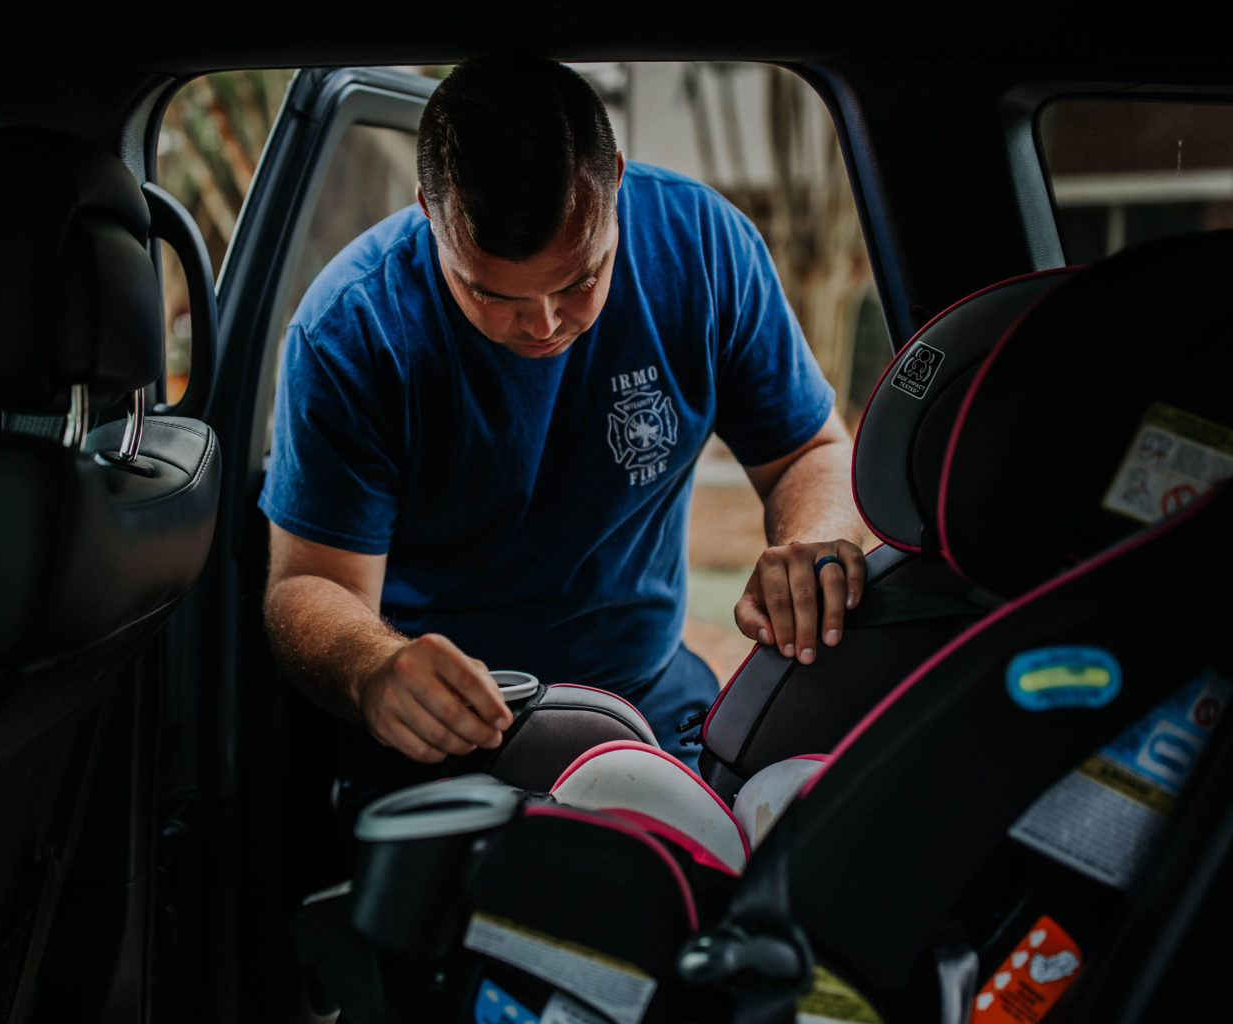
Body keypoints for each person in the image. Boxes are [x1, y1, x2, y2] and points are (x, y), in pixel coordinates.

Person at [259, 56, 867, 819]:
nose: (545, 324)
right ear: (428, 212)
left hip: (651, 695)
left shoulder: (704, 249)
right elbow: (309, 585)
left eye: (581, 279)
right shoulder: (353, 328)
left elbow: (810, 454)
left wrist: (813, 544)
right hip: (447, 732)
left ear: (616, 179)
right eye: (490, 292)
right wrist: (375, 668)